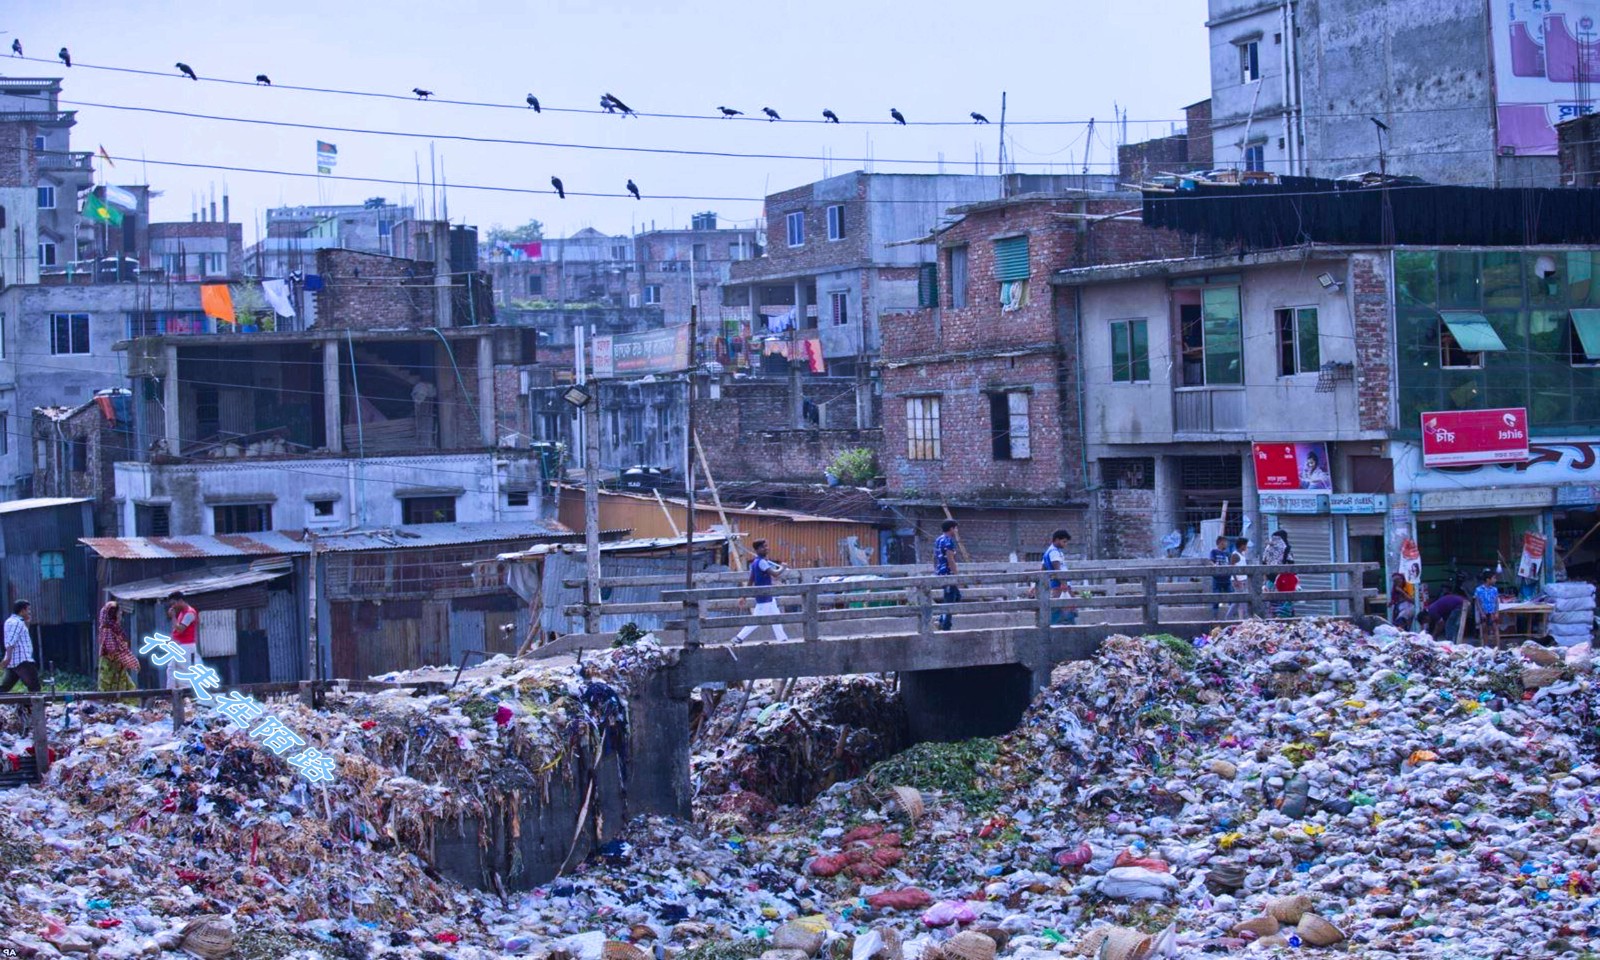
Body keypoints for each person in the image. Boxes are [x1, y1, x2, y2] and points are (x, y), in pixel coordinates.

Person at [733, 540, 789, 644]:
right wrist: (783, 568)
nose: (766, 548)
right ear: (758, 549)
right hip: (764, 595)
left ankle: (782, 639)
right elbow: (775, 574)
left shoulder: (755, 562)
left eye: (766, 546)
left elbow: (750, 580)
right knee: (757, 620)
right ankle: (739, 638)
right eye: (764, 547)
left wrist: (744, 597)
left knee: (776, 618)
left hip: (767, 596)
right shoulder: (762, 562)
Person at [97, 601, 141, 693]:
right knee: (108, 692)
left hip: (119, 667)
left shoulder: (116, 629)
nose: (120, 614)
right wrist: (129, 660)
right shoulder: (108, 630)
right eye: (118, 612)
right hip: (110, 666)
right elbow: (113, 650)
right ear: (113, 614)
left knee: (129, 691)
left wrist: (131, 660)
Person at [2, 600, 41, 696]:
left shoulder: (11, 621)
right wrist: (8, 657)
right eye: (28, 610)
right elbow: (11, 640)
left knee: (4, 688)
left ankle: (26, 709)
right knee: (35, 688)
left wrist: (27, 623)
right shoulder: (16, 622)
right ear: (22, 610)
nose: (29, 612)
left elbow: (19, 636)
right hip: (22, 661)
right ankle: (35, 710)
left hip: (14, 662)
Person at [165, 591, 200, 687]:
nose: (173, 607)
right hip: (179, 646)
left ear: (180, 601)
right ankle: (170, 692)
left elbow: (180, 629)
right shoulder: (181, 613)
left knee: (184, 671)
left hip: (187, 646)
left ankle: (186, 693)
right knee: (171, 668)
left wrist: (173, 617)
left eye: (174, 603)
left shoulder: (190, 613)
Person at [1043, 529, 1077, 625]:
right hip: (1060, 584)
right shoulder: (1054, 552)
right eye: (1064, 541)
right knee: (1064, 607)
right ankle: (1067, 627)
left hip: (1057, 584)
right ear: (1057, 540)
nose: (1065, 544)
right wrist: (1064, 583)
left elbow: (1043, 568)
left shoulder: (1048, 552)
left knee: (1059, 606)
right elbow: (1057, 569)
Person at [935, 520, 960, 630]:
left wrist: (936, 570)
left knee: (956, 596)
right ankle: (945, 625)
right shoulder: (948, 541)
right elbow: (951, 559)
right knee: (950, 599)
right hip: (948, 573)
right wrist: (956, 575)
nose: (956, 530)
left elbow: (934, 557)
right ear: (951, 529)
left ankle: (941, 619)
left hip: (941, 572)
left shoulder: (938, 540)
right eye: (955, 528)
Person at [1474, 568, 1502, 648]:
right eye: (1494, 578)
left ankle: (1498, 647)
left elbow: (1496, 601)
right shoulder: (1479, 590)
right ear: (1488, 579)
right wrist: (1481, 613)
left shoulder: (1494, 590)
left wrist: (1497, 612)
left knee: (1495, 629)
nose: (1495, 580)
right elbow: (1478, 602)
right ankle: (1485, 647)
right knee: (1485, 630)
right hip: (1484, 612)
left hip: (1492, 612)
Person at [1226, 537, 1251, 619]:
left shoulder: (1242, 554)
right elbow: (1232, 568)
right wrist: (1236, 580)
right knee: (1242, 600)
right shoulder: (1235, 555)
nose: (1246, 547)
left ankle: (1228, 617)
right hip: (1238, 580)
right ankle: (1245, 617)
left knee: (1238, 601)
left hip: (1243, 579)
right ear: (1242, 546)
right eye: (1246, 545)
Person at [1208, 535, 1233, 616]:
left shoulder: (1227, 554)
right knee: (1216, 599)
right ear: (1221, 543)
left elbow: (1230, 564)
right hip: (1217, 579)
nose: (1226, 544)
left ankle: (1231, 616)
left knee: (1232, 597)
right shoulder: (1214, 552)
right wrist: (1214, 565)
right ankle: (1215, 618)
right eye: (1225, 542)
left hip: (1227, 579)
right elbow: (1211, 561)